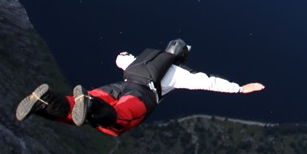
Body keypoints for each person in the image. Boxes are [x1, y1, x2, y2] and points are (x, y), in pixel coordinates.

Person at [15, 39, 264, 136]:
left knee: (73, 108)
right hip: (142, 95)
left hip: (118, 85)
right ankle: (89, 106)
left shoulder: (141, 59)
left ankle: (46, 102)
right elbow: (208, 82)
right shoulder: (178, 73)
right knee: (119, 121)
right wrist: (240, 89)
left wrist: (124, 55)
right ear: (181, 57)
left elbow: (119, 59)